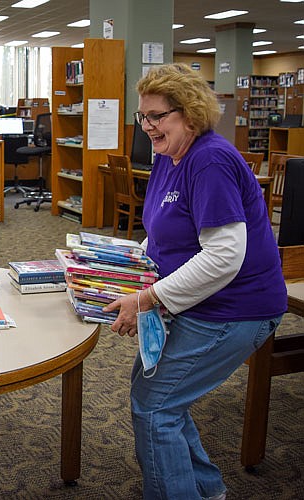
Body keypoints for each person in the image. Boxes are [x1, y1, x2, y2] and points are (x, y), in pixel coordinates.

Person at [103, 63, 288, 500]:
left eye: (156, 116)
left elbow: (225, 256)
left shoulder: (210, 160)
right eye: (142, 117)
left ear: (189, 114)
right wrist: (124, 264)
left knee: (155, 407)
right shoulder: (170, 156)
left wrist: (147, 298)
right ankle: (208, 490)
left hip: (238, 309)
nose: (147, 126)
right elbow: (165, 231)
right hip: (197, 304)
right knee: (158, 395)